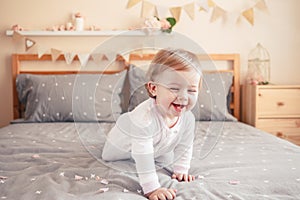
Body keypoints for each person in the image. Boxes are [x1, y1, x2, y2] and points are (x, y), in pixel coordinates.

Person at [102, 48, 202, 200]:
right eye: (174, 88)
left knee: (164, 152)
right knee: (140, 140)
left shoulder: (188, 118)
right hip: (119, 150)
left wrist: (181, 169)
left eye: (191, 90)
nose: (183, 96)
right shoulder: (144, 119)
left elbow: (185, 145)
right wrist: (152, 189)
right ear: (154, 88)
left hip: (154, 146)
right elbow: (143, 156)